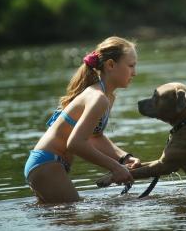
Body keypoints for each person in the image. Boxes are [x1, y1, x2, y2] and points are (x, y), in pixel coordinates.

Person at [24, 36, 141, 203]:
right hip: (47, 163)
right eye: (131, 66)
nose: (135, 73)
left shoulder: (107, 97)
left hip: (49, 164)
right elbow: (76, 143)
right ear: (110, 65)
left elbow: (95, 137)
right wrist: (116, 167)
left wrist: (124, 158)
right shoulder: (98, 98)